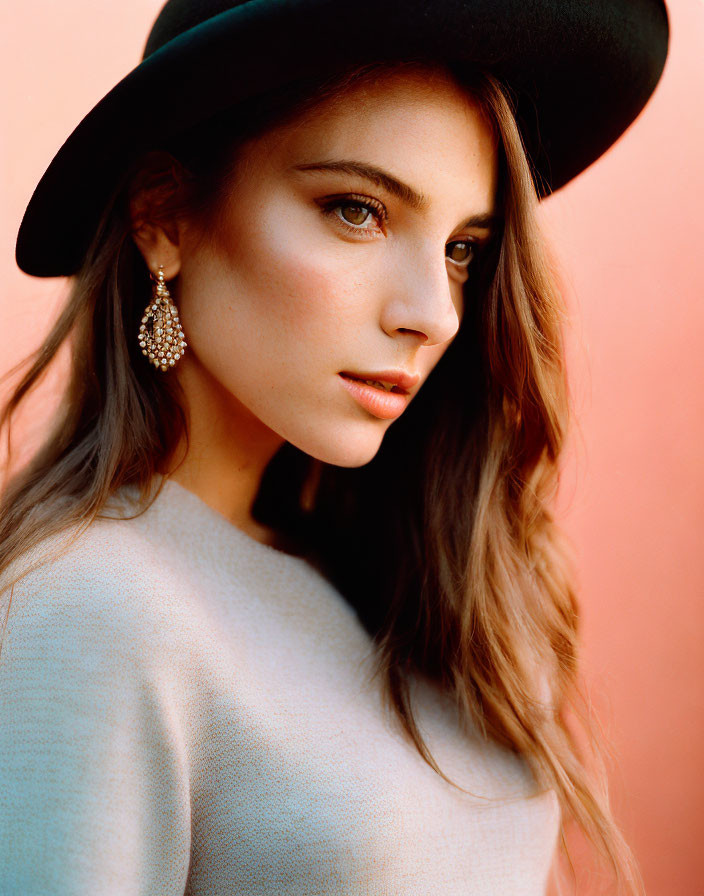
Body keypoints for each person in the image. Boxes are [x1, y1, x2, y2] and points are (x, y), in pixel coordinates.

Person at [0, 1, 669, 893]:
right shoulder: (92, 610)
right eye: (357, 210)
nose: (431, 314)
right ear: (163, 215)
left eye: (464, 248)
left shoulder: (392, 577)